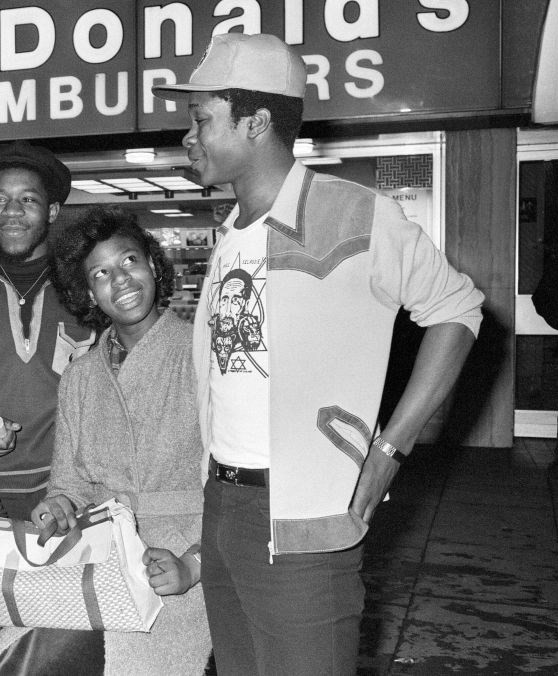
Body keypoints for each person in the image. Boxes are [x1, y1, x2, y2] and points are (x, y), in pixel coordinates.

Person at [153, 33, 485, 675]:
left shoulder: (355, 213)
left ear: (255, 122)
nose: (188, 138)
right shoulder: (230, 232)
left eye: (201, 121)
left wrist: (390, 449)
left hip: (303, 516)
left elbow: (457, 310)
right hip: (223, 504)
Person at [0, 207, 212, 675]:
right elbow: (68, 482)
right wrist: (58, 506)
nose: (120, 280)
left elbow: (236, 486)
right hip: (98, 556)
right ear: (89, 291)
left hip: (181, 560)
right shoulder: (81, 375)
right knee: (17, 660)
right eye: (101, 273)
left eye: (129, 261)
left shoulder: (203, 356)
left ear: (152, 263)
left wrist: (194, 563)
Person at [0, 140, 96, 521]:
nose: (13, 213)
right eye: (1, 200)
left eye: (29, 200)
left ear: (52, 211)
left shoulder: (88, 297)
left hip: (75, 500)